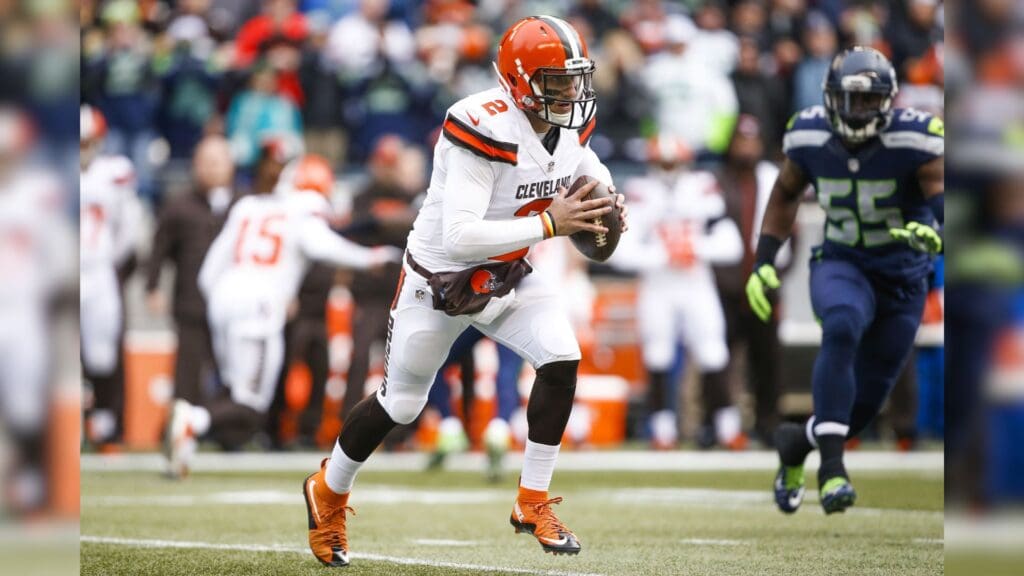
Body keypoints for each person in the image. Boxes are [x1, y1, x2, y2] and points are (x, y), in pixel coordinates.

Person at [301, 15, 628, 566]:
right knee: (401, 404)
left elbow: (583, 163)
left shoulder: (568, 122)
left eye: (575, 78)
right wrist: (552, 223)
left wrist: (610, 200)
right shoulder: (482, 124)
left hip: (505, 273)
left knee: (561, 357)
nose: (571, 92)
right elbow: (459, 235)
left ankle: (532, 500)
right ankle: (328, 490)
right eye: (556, 80)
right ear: (520, 82)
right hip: (439, 281)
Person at [746, 47, 943, 514]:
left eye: (869, 101)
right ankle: (832, 471)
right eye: (848, 100)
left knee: (865, 402)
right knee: (842, 323)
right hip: (842, 261)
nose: (857, 112)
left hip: (903, 278)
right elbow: (785, 194)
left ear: (889, 101)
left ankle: (797, 443)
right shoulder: (809, 134)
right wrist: (764, 261)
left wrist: (936, 231)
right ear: (829, 98)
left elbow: (946, 202)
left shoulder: (917, 139)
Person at [163, 144, 400, 477]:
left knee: (235, 387)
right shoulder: (304, 208)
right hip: (258, 306)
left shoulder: (248, 205)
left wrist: (224, 302)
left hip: (223, 299)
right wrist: (373, 258)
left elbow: (208, 272)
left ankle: (189, 439)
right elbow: (323, 246)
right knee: (251, 402)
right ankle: (193, 420)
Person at [610, 135, 744, 450]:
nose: (668, 169)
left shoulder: (702, 187)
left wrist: (695, 247)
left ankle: (727, 427)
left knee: (713, 351)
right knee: (658, 353)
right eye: (662, 162)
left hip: (696, 282)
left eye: (673, 163)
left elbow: (731, 243)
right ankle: (662, 430)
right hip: (659, 283)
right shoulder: (641, 192)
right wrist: (663, 254)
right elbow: (621, 251)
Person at [145, 135, 236, 406]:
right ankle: (181, 424)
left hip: (233, 303)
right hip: (191, 301)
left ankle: (227, 427)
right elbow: (158, 249)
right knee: (188, 367)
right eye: (205, 162)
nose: (211, 169)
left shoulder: (245, 203)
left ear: (230, 166)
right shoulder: (179, 205)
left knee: (231, 367)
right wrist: (153, 286)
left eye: (217, 162)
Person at [715, 115, 788, 446]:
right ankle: (718, 425)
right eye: (741, 140)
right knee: (719, 358)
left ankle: (768, 424)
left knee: (767, 360)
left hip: (763, 284)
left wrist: (774, 271)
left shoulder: (773, 178)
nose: (747, 147)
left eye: (752, 140)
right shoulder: (716, 180)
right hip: (725, 288)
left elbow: (789, 228)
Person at [80, 104, 142, 450]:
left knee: (102, 352)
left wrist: (107, 261)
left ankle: (105, 422)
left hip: (99, 270)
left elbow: (127, 228)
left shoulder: (112, 173)